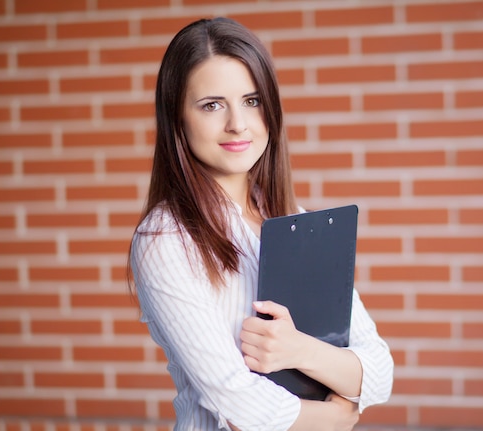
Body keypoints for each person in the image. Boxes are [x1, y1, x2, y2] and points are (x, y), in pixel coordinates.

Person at [128, 17, 394, 431]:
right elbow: (237, 404)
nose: (238, 123)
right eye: (212, 105)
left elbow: (378, 373)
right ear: (177, 118)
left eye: (251, 101)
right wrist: (337, 417)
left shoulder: (299, 223)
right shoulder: (165, 239)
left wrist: (296, 351)